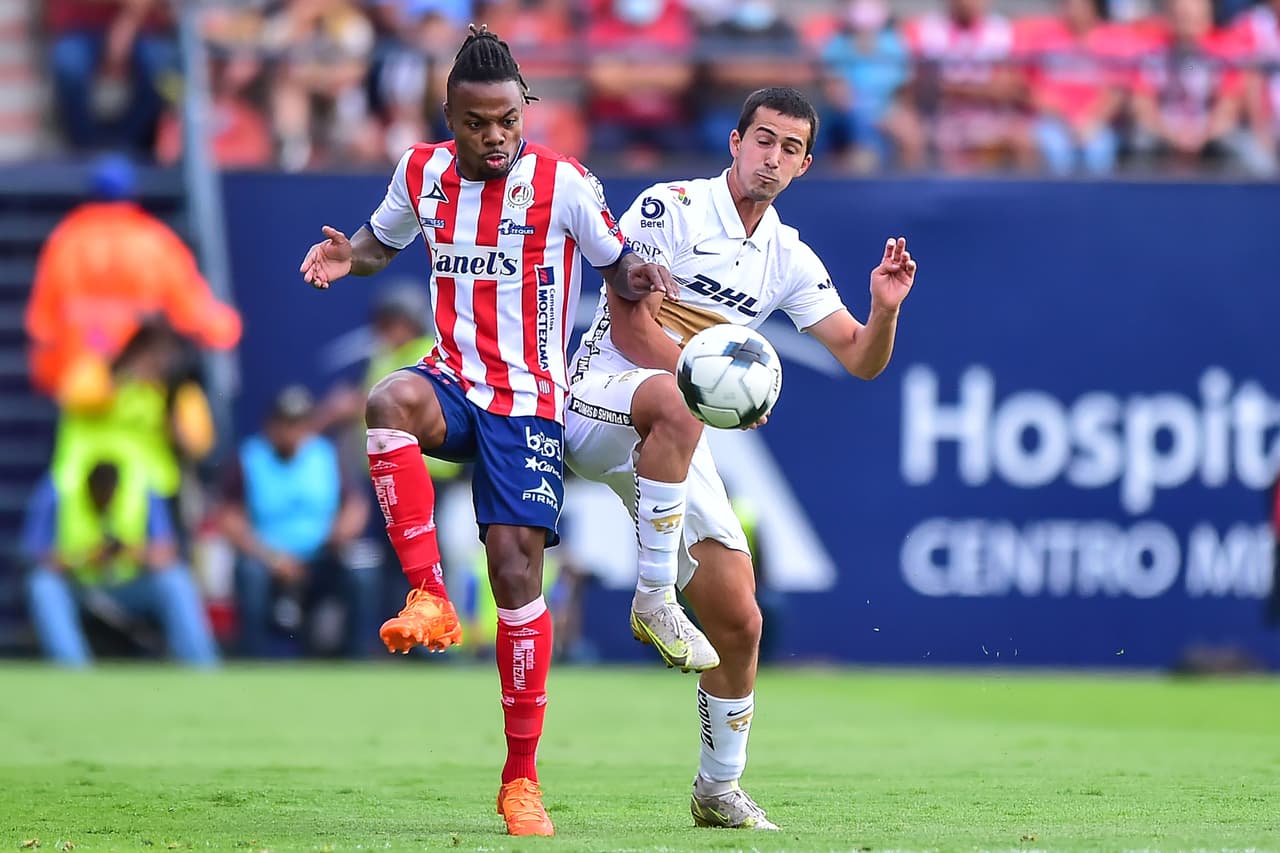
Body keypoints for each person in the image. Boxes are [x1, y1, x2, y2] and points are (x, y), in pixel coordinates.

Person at [297, 25, 675, 837]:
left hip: (530, 400)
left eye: (508, 119)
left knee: (513, 575)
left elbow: (613, 263)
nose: (495, 136)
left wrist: (637, 276)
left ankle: (520, 778)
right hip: (451, 380)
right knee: (387, 400)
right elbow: (379, 241)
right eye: (477, 122)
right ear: (449, 116)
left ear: (524, 110)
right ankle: (428, 594)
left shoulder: (565, 183)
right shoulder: (420, 171)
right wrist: (346, 256)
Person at [564, 86, 918, 830]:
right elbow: (630, 327)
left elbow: (859, 359)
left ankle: (717, 787)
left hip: (674, 426)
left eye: (790, 148)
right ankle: (654, 597)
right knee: (678, 399)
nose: (773, 157)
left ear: (805, 163)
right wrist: (710, 380)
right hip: (600, 396)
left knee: (739, 617)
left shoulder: (786, 256)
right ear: (735, 141)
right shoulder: (672, 208)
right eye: (763, 139)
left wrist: (883, 310)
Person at [218, 385, 376, 658]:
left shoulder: (324, 455)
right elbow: (228, 517)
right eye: (285, 423)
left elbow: (355, 505)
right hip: (270, 562)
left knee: (362, 569)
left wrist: (338, 534)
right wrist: (270, 557)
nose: (291, 432)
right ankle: (255, 659)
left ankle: (357, 657)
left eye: (298, 423)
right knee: (249, 572)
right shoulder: (250, 458)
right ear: (270, 425)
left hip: (320, 557)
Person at [22, 456, 219, 668]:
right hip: (79, 586)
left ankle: (201, 664)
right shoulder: (61, 487)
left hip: (130, 585)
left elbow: (166, 553)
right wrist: (85, 557)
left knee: (175, 580)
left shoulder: (142, 488)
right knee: (43, 586)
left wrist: (130, 552)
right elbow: (35, 554)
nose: (104, 495)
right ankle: (71, 667)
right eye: (98, 489)